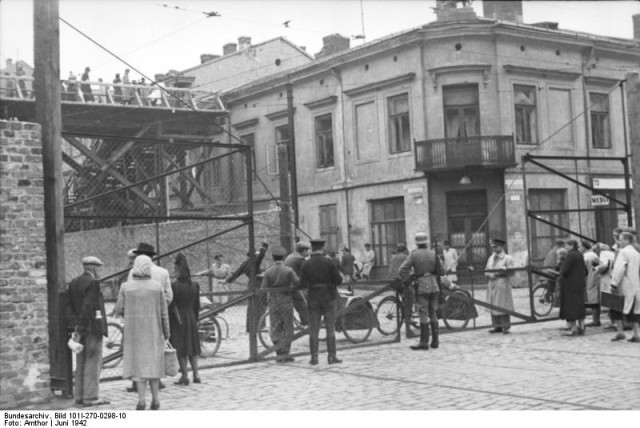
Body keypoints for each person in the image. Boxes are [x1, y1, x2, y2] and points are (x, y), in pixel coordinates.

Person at [115, 255, 169, 410]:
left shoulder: (126, 287)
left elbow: (118, 309)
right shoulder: (157, 287)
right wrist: (167, 333)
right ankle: (156, 399)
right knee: (154, 366)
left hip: (134, 333)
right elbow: (164, 313)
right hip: (154, 331)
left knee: (138, 368)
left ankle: (141, 400)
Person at [125, 242, 172, 393]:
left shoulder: (132, 273)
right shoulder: (163, 272)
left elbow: (128, 295)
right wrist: (157, 309)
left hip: (136, 319)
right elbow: (168, 296)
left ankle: (137, 384)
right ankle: (156, 382)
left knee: (138, 351)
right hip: (155, 318)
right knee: (154, 350)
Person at [65, 256, 110, 407]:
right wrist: (83, 327)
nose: (100, 272)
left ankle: (79, 395)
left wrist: (76, 327)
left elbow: (69, 307)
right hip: (92, 328)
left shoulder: (73, 282)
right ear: (93, 268)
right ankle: (90, 397)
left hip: (80, 328)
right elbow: (88, 306)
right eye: (99, 269)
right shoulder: (93, 283)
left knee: (81, 361)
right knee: (93, 361)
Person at [399, 233, 449, 350]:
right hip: (434, 286)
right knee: (433, 313)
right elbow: (442, 271)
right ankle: (435, 341)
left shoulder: (414, 255)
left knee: (423, 312)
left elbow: (402, 269)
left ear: (417, 243)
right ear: (426, 242)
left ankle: (424, 342)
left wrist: (409, 279)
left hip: (421, 286)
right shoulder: (433, 253)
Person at [300, 238, 343, 365]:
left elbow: (302, 283)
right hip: (329, 297)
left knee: (314, 329)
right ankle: (331, 356)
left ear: (312, 249)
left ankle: (314, 357)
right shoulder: (329, 262)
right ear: (322, 248)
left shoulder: (306, 264)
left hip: (313, 298)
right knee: (330, 328)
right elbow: (338, 280)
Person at [261, 246, 300, 362]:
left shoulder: (268, 271)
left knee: (276, 327)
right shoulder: (288, 270)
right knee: (288, 326)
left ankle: (279, 353)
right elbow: (297, 283)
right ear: (283, 257)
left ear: (273, 258)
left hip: (273, 301)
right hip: (286, 300)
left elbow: (263, 288)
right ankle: (286, 353)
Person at [169, 253, 201, 385]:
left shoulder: (174, 286)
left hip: (178, 319)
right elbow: (197, 305)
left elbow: (171, 305)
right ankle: (196, 374)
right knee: (192, 347)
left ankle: (185, 375)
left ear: (178, 270)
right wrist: (195, 318)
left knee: (180, 348)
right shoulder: (195, 285)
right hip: (191, 317)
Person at [226, 242, 269, 332]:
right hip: (258, 285)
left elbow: (236, 274)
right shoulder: (255, 262)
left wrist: (227, 281)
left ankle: (250, 327)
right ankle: (260, 326)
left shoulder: (244, 263)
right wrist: (264, 246)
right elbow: (261, 255)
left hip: (250, 285)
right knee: (260, 306)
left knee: (251, 306)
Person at [610, 232, 640, 342]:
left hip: (624, 285)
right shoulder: (636, 253)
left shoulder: (623, 252)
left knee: (616, 307)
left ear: (627, 240)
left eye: (621, 240)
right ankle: (636, 333)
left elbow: (619, 269)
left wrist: (614, 283)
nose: (619, 242)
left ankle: (620, 332)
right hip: (635, 284)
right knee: (634, 309)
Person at [485, 238, 515, 334]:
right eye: (493, 247)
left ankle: (505, 327)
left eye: (496, 247)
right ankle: (496, 326)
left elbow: (512, 272)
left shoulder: (507, 258)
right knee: (493, 305)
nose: (493, 248)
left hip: (502, 283)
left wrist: (502, 272)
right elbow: (486, 269)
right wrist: (489, 274)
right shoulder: (490, 258)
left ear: (501, 247)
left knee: (503, 305)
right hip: (492, 283)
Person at [559, 239, 587, 336]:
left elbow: (565, 270)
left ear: (571, 245)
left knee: (571, 305)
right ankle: (582, 327)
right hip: (580, 283)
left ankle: (574, 328)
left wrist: (561, 272)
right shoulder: (579, 254)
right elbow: (585, 270)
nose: (565, 247)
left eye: (567, 245)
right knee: (580, 305)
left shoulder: (570, 255)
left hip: (570, 284)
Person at [389, 244, 414, 338]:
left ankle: (404, 312)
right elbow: (410, 269)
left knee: (403, 297)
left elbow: (391, 270)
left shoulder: (393, 258)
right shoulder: (405, 257)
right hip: (402, 281)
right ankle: (408, 317)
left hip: (393, 282)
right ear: (404, 250)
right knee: (410, 296)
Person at [284, 241, 311, 326]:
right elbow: (307, 272)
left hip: (286, 284)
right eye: (307, 251)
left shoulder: (290, 256)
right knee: (302, 303)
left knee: (299, 303)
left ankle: (304, 321)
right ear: (303, 251)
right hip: (293, 286)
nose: (307, 253)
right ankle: (307, 322)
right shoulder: (300, 259)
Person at [595, 243, 616, 330]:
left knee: (610, 302)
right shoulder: (612, 253)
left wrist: (596, 269)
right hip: (612, 278)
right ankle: (614, 321)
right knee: (614, 301)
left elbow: (604, 265)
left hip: (606, 279)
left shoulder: (603, 254)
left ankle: (613, 322)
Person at [581, 241, 601, 327]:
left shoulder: (587, 257)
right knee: (594, 300)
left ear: (584, 247)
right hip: (593, 279)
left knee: (594, 301)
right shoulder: (593, 255)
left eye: (580, 247)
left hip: (590, 279)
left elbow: (585, 270)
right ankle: (596, 320)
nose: (579, 249)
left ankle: (595, 320)